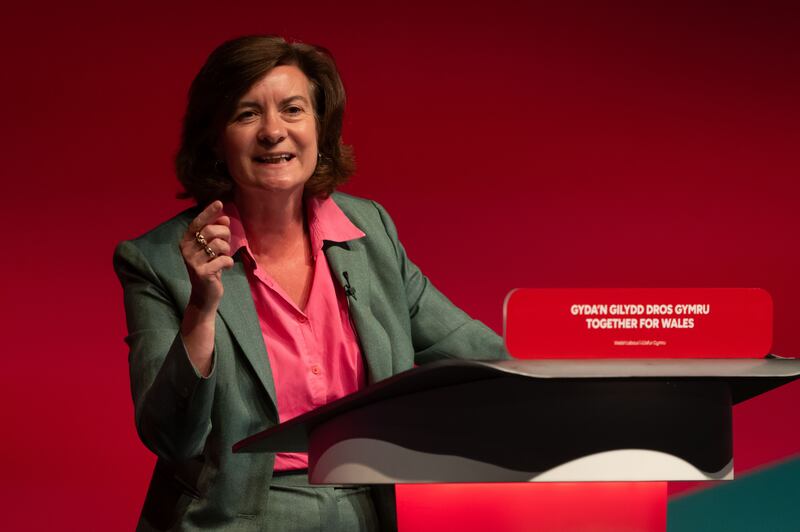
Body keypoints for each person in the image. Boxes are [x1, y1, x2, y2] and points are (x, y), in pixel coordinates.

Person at [114, 35, 508, 532]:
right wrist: (201, 309)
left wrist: (587, 376)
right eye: (246, 114)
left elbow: (472, 350)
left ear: (319, 128)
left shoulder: (371, 233)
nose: (273, 132)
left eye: (293, 110)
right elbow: (172, 438)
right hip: (232, 518)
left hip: (367, 512)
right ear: (215, 139)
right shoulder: (157, 260)